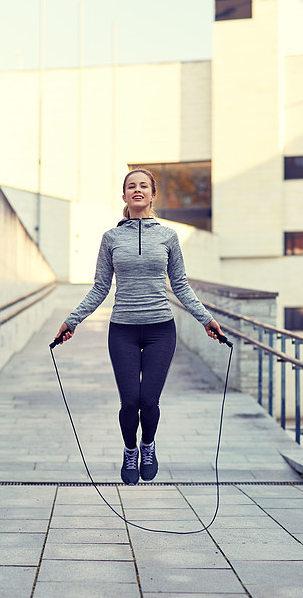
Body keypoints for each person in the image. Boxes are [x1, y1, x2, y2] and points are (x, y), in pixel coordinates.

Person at [55, 169, 224, 485]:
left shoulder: (168, 236)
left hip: (161, 330)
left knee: (149, 401)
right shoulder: (112, 238)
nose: (137, 190)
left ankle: (148, 445)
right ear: (124, 196)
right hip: (123, 330)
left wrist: (207, 319)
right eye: (131, 186)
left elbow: (181, 285)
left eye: (143, 186)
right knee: (130, 401)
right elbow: (100, 287)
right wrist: (72, 321)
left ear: (152, 194)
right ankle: (130, 449)